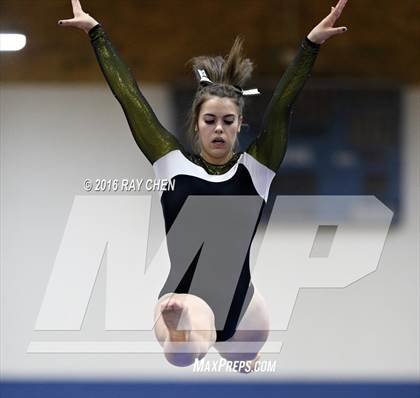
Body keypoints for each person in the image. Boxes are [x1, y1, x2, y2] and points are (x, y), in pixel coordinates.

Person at [58, 0, 349, 370]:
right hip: (185, 296)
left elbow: (281, 108)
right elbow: (131, 100)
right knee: (182, 346)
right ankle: (188, 334)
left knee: (231, 347)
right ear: (196, 123)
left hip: (244, 312)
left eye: (228, 121)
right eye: (210, 120)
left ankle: (232, 351)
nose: (218, 129)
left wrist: (311, 45)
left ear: (240, 124)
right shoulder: (171, 164)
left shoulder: (256, 170)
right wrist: (96, 34)